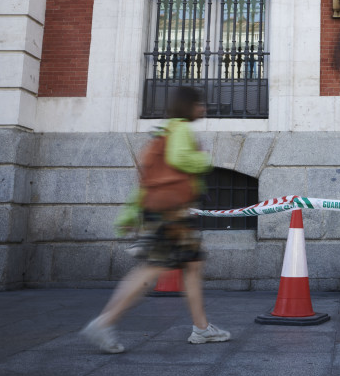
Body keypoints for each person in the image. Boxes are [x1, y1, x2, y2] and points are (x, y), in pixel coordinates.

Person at [82, 86, 230, 353]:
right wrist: (204, 161)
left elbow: (144, 181)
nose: (203, 109)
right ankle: (105, 322)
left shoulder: (161, 134)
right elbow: (181, 159)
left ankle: (202, 328)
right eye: (200, 104)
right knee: (150, 270)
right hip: (172, 215)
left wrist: (129, 213)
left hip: (163, 211)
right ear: (189, 106)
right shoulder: (181, 129)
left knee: (193, 265)